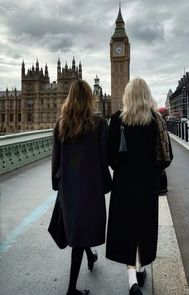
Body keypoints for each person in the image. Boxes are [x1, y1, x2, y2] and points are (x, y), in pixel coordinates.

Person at [106, 78, 172, 295]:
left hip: (124, 184)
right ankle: (141, 267)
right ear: (146, 95)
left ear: (127, 96)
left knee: (126, 229)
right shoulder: (156, 120)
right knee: (143, 227)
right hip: (147, 184)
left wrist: (121, 164)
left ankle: (132, 280)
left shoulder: (117, 119)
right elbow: (166, 156)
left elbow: (109, 156)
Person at [49, 79, 111, 295]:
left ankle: (91, 256)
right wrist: (106, 183)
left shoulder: (61, 124)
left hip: (69, 188)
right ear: (90, 98)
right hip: (90, 188)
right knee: (79, 234)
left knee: (77, 228)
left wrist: (56, 182)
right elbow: (105, 159)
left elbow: (55, 159)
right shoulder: (100, 124)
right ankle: (71, 290)